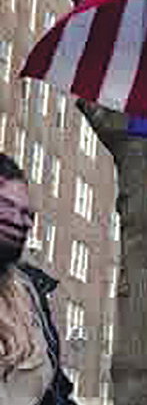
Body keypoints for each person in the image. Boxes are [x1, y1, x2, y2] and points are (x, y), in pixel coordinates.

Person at [0, 152, 77, 405]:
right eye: (5, 205)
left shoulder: (30, 294)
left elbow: (56, 393)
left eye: (26, 214)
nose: (19, 221)